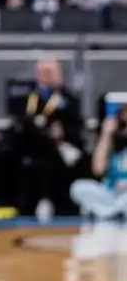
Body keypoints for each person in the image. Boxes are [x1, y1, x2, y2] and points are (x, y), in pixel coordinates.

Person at [13, 56, 85, 217]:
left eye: (51, 71)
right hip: (33, 153)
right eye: (43, 72)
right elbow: (20, 125)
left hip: (60, 155)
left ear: (59, 74)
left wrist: (63, 133)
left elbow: (77, 126)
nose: (47, 75)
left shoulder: (69, 99)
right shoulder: (27, 99)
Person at [71, 98, 127, 220]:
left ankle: (108, 211)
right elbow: (98, 169)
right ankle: (114, 211)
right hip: (111, 193)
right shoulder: (111, 144)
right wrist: (106, 134)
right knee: (78, 187)